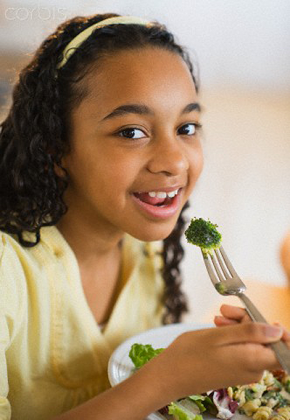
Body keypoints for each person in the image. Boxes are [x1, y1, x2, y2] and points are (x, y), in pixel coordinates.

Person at [0, 13, 289, 420]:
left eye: (187, 127)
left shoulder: (145, 254)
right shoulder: (7, 273)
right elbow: (151, 386)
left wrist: (216, 366)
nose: (174, 160)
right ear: (55, 148)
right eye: (132, 132)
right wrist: (164, 378)